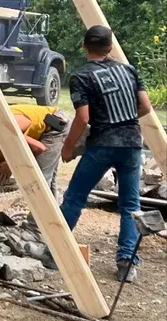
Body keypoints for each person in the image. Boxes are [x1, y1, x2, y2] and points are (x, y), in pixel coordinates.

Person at [60, 25, 153, 283]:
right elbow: (145, 106)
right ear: (110, 47)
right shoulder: (129, 70)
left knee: (75, 197)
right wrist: (126, 119)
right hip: (133, 144)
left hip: (102, 143)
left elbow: (83, 117)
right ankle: (126, 264)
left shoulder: (82, 76)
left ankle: (55, 252)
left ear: (84, 46)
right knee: (130, 206)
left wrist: (68, 146)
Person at [0, 103, 70, 196]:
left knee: (39, 179)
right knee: (47, 181)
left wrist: (11, 165)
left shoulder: (0, 130)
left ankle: (34, 224)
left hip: (55, 127)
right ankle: (54, 220)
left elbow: (39, 149)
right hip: (47, 129)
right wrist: (4, 181)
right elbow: (5, 160)